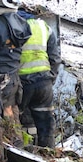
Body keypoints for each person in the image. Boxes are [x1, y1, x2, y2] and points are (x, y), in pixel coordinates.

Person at [17, 11, 61, 148]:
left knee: (19, 121)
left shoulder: (13, 25)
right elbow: (55, 58)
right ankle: (48, 156)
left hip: (22, 83)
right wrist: (49, 79)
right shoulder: (44, 27)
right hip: (44, 83)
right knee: (46, 123)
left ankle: (21, 152)